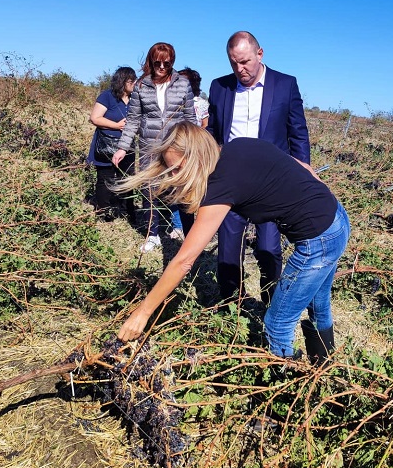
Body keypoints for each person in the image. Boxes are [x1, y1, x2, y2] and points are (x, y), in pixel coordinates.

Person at [114, 122, 349, 362]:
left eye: (178, 169)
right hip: (337, 219)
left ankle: (289, 386)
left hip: (319, 240)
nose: (174, 176)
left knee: (277, 325)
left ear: (196, 157)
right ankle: (324, 370)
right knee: (319, 306)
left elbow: (184, 261)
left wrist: (142, 313)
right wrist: (319, 197)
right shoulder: (237, 147)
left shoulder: (220, 185)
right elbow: (304, 167)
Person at [206, 31, 310, 307]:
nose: (240, 69)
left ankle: (271, 305)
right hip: (231, 178)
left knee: (268, 248)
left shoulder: (285, 85)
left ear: (260, 54)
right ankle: (229, 304)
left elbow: (297, 133)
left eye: (245, 62)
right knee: (228, 248)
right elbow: (214, 133)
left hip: (271, 184)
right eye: (233, 63)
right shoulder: (219, 87)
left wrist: (304, 173)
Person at [112, 42, 197, 252]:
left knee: (183, 192)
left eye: (166, 63)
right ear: (151, 61)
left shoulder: (183, 84)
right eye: (157, 62)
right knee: (150, 191)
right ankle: (152, 234)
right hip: (149, 146)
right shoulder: (141, 86)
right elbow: (133, 120)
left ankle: (190, 236)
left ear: (172, 62)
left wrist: (194, 147)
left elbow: (190, 118)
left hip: (178, 148)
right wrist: (123, 147)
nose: (161, 67)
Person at [85, 66, 137, 221]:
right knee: (105, 179)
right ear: (123, 81)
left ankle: (129, 212)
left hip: (127, 145)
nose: (134, 84)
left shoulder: (134, 99)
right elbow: (95, 118)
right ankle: (103, 213)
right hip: (106, 145)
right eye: (131, 81)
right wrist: (117, 125)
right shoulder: (107, 96)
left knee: (128, 179)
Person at [168, 67, 209, 240]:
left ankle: (193, 229)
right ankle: (182, 227)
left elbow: (206, 125)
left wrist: (195, 138)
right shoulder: (175, 100)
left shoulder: (200, 103)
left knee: (189, 191)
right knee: (180, 190)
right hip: (178, 151)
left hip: (194, 152)